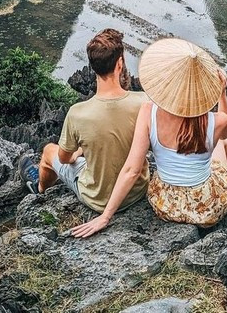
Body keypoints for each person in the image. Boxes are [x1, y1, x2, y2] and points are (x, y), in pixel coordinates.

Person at [70, 37, 227, 238]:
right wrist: (222, 93)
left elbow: (132, 169)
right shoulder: (215, 122)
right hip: (206, 208)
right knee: (222, 142)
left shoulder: (148, 112)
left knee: (217, 143)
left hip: (166, 204)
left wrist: (105, 216)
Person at [19, 28, 150, 213]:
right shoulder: (145, 102)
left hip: (97, 199)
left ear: (92, 67)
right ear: (120, 64)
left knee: (49, 151)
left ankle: (39, 188)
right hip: (136, 192)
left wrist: (79, 151)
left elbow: (64, 158)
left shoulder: (77, 113)